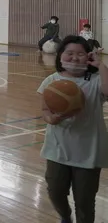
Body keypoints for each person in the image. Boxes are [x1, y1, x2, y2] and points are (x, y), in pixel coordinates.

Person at [38, 36, 108, 223]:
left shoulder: (94, 80)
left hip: (88, 152)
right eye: (69, 53)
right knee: (55, 192)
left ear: (89, 57)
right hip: (57, 149)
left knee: (85, 202)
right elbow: (45, 110)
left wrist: (101, 66)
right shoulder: (51, 81)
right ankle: (65, 215)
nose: (75, 58)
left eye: (80, 54)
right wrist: (50, 118)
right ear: (61, 55)